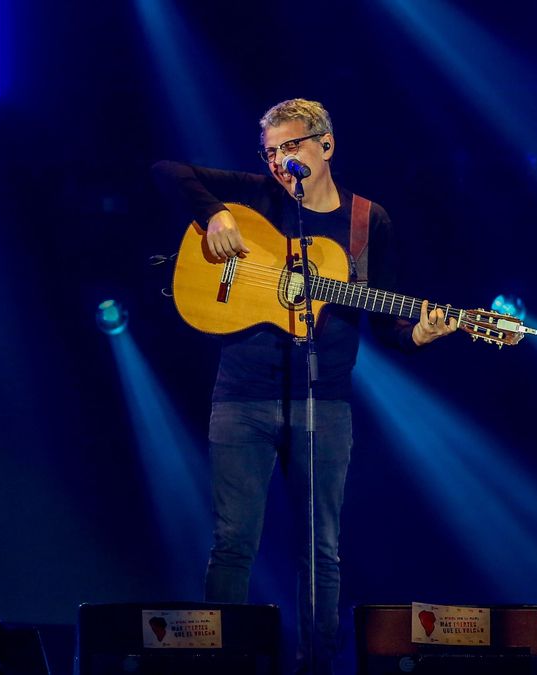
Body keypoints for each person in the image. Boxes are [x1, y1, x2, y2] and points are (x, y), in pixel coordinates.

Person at [152, 98, 457, 673]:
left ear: (326, 144)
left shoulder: (367, 222)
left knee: (322, 550)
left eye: (289, 146)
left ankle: (315, 665)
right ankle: (221, 665)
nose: (277, 161)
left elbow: (387, 324)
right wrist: (216, 215)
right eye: (269, 152)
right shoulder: (259, 196)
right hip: (242, 396)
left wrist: (418, 333)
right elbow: (167, 170)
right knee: (233, 543)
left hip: (325, 401)